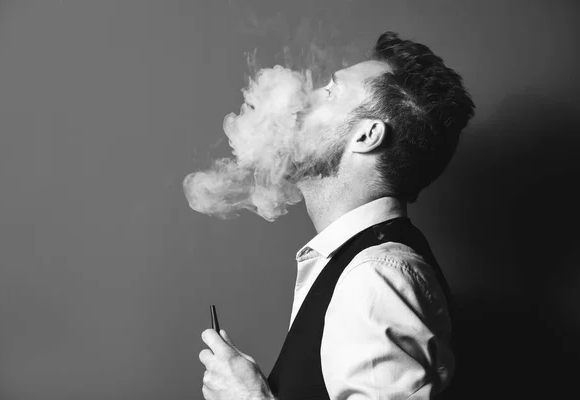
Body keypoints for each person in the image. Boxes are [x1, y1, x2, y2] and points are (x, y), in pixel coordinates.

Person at [199, 30, 475, 400]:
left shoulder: (375, 277)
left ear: (367, 136)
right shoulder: (367, 266)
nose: (302, 100)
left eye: (329, 92)